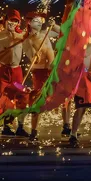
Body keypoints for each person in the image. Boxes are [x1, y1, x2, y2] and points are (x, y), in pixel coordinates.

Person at [0, 9, 28, 139]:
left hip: (16, 71)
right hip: (2, 71)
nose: (13, 23)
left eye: (16, 21)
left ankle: (19, 127)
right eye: (11, 20)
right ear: (6, 21)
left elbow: (32, 43)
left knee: (21, 99)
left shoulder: (22, 36)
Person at [22, 12, 60, 141]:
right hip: (39, 72)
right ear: (29, 23)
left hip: (52, 71)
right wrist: (35, 53)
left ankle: (67, 126)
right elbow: (34, 59)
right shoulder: (27, 40)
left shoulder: (46, 34)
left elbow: (62, 34)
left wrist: (54, 26)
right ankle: (34, 130)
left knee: (61, 94)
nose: (38, 22)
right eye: (35, 20)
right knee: (37, 100)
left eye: (39, 20)